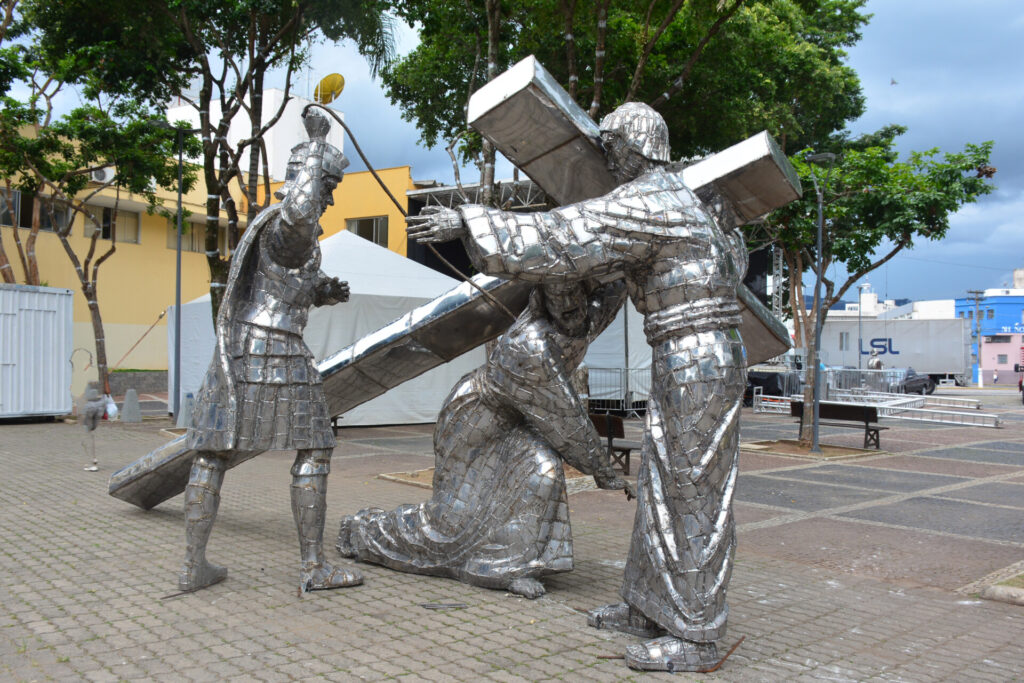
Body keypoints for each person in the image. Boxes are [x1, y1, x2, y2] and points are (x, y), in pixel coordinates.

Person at [407, 102, 747, 672]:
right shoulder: (677, 199)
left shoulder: (651, 199)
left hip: (697, 353)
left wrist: (468, 220)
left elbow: (567, 232)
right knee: (667, 485)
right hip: (685, 352)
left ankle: (695, 635)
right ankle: (648, 605)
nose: (609, 160)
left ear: (631, 148)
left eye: (612, 148)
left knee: (691, 492)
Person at [337, 280, 627, 598]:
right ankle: (362, 532)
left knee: (542, 470)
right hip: (475, 418)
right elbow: (564, 417)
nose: (569, 305)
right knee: (448, 524)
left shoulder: (584, 320)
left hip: (519, 418)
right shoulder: (527, 346)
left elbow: (615, 288)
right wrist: (605, 472)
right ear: (543, 300)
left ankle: (507, 566)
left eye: (575, 293)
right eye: (559, 296)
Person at [181, 110, 361, 593]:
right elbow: (300, 214)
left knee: (212, 454)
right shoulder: (287, 226)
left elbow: (281, 285)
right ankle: (313, 567)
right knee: (315, 448)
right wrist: (319, 142)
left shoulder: (283, 239)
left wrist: (322, 290)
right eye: (329, 184)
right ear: (309, 178)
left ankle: (191, 565)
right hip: (276, 349)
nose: (330, 195)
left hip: (241, 348)